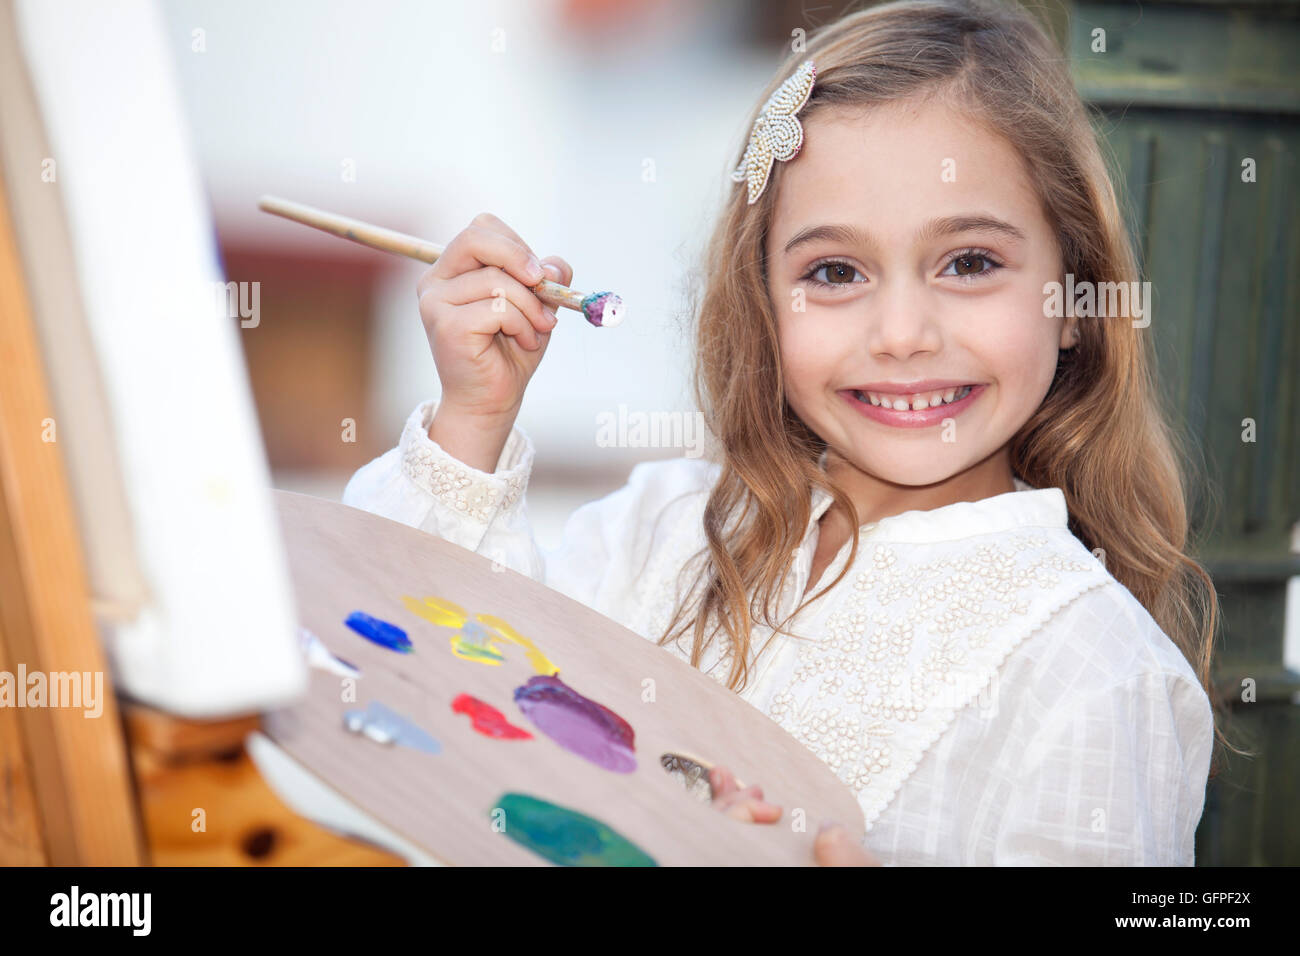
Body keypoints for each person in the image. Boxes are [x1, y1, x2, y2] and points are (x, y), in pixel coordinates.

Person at [344, 0, 1230, 865]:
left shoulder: (1096, 672)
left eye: (969, 263)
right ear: (761, 303)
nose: (902, 333)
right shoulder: (661, 529)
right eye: (836, 271)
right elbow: (412, 699)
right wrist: (475, 416)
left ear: (1076, 300)